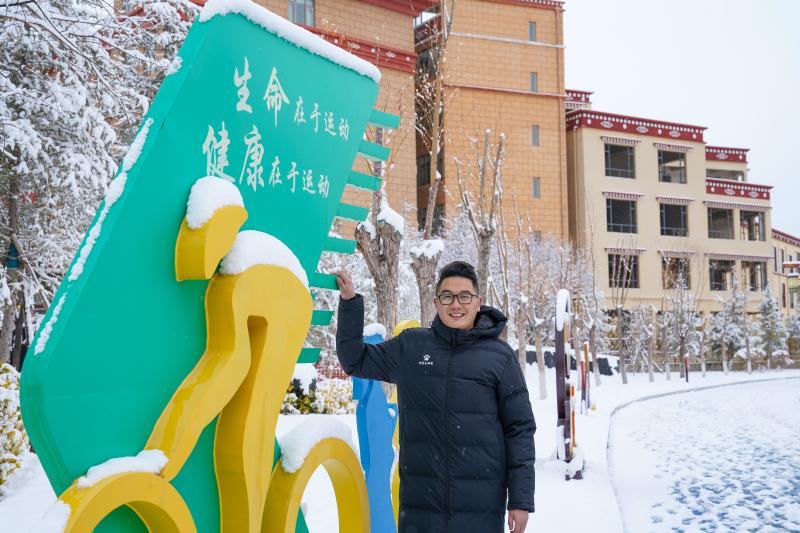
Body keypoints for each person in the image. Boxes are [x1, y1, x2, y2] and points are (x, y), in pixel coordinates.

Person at [335, 261, 535, 533]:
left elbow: (519, 429)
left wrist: (521, 500)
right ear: (436, 303)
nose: (456, 304)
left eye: (465, 296)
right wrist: (349, 303)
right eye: (447, 296)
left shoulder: (500, 357)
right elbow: (355, 361)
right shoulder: (412, 347)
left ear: (478, 303)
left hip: (480, 507)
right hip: (421, 508)